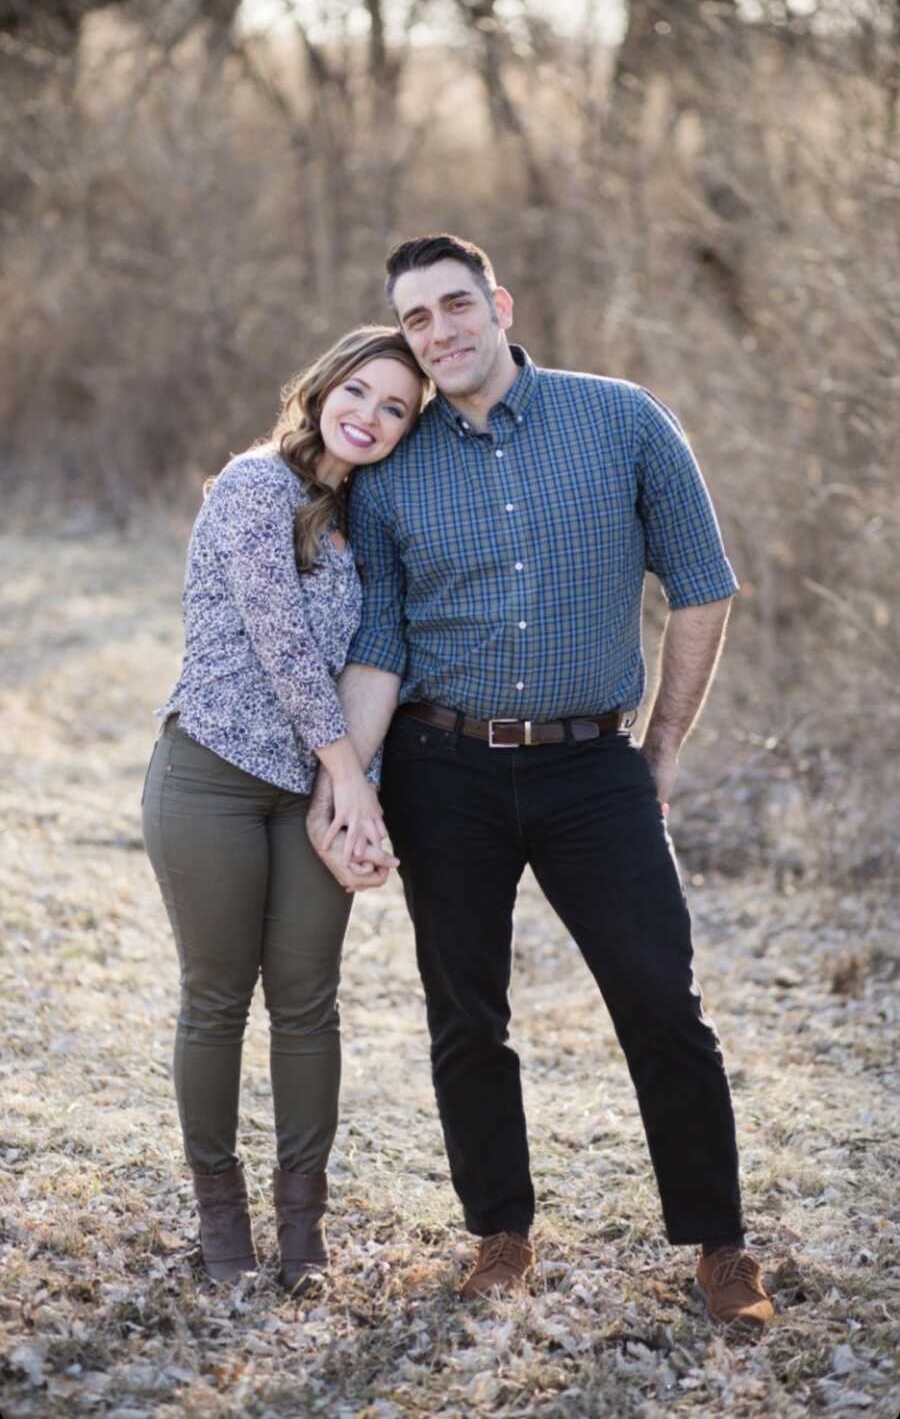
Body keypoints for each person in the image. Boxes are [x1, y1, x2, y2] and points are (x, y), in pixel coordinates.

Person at [307, 235, 774, 1329]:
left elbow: (704, 586)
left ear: (500, 304)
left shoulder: (621, 419)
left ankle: (721, 1246)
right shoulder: (395, 466)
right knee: (466, 1012)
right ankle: (500, 1233)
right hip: (440, 764)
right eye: (416, 318)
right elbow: (378, 638)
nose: (440, 331)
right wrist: (354, 788)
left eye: (455, 304)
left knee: (663, 998)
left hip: (590, 763)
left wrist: (658, 751)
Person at [142, 326, 425, 1288]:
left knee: (309, 1005)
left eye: (396, 408)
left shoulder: (368, 519)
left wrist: (353, 800)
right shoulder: (251, 487)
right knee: (217, 1001)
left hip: (314, 791)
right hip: (211, 776)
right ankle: (221, 1224)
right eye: (359, 391)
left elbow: (373, 667)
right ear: (321, 387)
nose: (370, 417)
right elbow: (282, 647)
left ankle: (302, 1230)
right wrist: (351, 782)